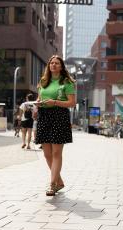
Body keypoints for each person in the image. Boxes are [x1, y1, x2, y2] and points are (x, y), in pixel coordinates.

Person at [35, 55, 76, 196]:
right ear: (49, 66)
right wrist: (36, 106)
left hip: (59, 116)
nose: (53, 65)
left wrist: (56, 102)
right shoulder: (43, 81)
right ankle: (59, 181)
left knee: (56, 153)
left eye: (57, 63)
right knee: (47, 154)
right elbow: (40, 98)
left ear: (61, 66)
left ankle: (52, 185)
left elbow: (71, 103)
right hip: (44, 117)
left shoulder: (67, 82)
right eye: (51, 63)